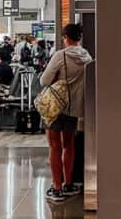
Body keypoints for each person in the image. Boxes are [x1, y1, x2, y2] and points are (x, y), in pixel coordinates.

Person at [40, 22, 93, 202]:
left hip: (55, 106)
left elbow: (44, 80)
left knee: (54, 146)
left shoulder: (60, 56)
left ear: (65, 38)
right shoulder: (86, 56)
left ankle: (57, 187)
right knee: (68, 145)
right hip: (74, 107)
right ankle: (69, 184)